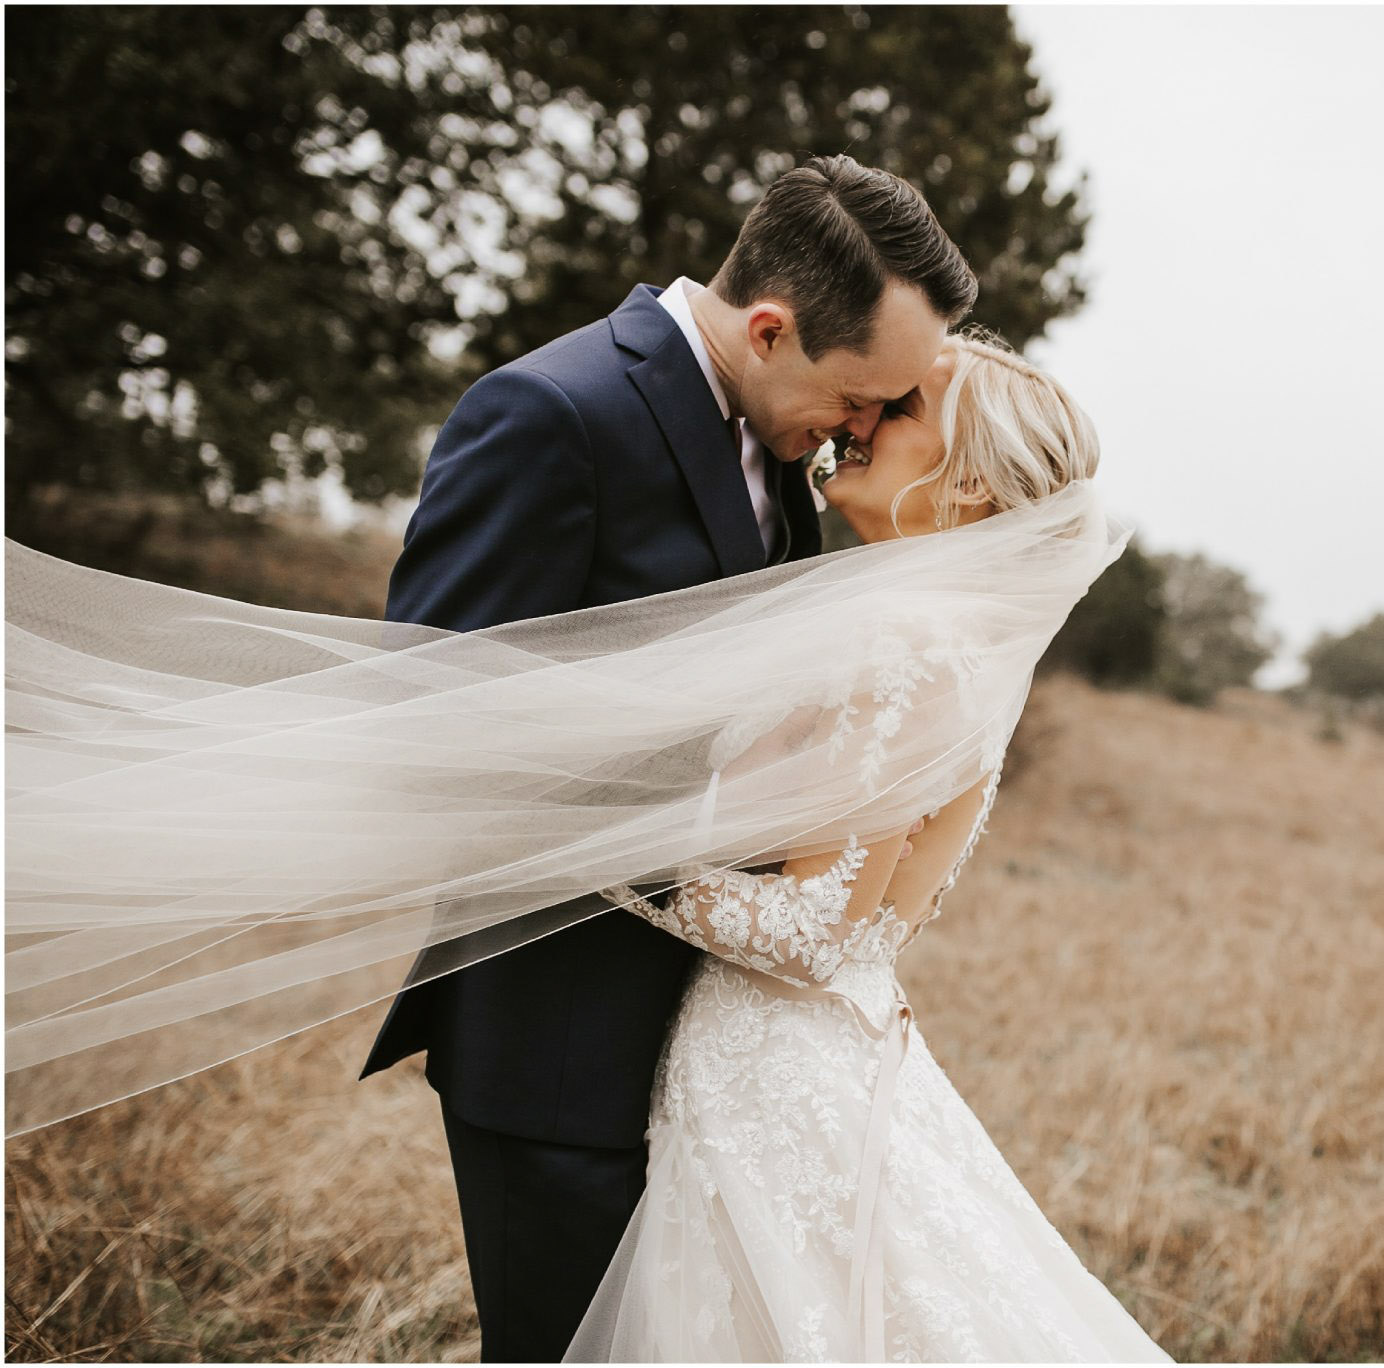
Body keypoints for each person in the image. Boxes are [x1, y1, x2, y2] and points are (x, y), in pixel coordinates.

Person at [356, 154, 978, 1361]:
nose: (863, 430)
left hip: (719, 1059)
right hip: (557, 1045)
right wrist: (654, 860)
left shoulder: (781, 454)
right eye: (862, 396)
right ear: (768, 326)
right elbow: (427, 715)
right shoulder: (553, 413)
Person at [565, 333, 1170, 1362]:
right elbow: (892, 914)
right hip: (841, 1048)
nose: (860, 420)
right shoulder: (967, 644)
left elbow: (810, 931)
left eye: (899, 410)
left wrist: (599, 849)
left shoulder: (901, 635)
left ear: (969, 475)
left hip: (775, 1078)